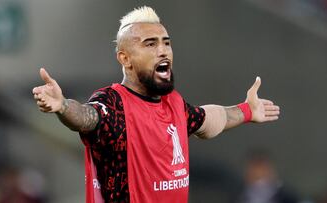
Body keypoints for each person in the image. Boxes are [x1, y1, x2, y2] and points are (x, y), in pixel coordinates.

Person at [32, 6, 280, 203]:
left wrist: (247, 110)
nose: (163, 51)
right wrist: (63, 106)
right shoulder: (113, 103)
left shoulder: (173, 104)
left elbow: (208, 119)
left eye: (166, 42)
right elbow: (88, 117)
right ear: (125, 58)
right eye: (150, 44)